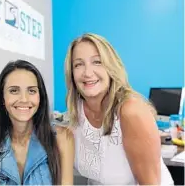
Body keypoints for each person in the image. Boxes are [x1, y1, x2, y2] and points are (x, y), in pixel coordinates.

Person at [64, 33, 174, 185]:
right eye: (78, 64)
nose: (87, 73)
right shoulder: (76, 112)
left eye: (97, 62)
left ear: (111, 67)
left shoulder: (131, 111)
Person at [0, 60, 74, 185]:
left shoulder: (63, 139)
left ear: (40, 97)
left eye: (31, 91)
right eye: (14, 91)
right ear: (2, 98)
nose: (24, 99)